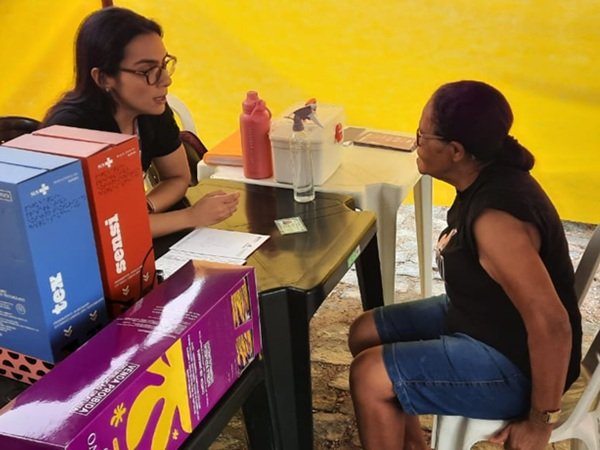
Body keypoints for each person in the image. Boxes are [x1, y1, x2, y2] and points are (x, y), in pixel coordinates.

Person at [348, 80, 582, 450]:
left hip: (517, 367)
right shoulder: (485, 177)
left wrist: (540, 422)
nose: (416, 143)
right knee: (364, 331)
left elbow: (553, 323)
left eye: (422, 135)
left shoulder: (496, 220)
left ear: (456, 150)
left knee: (369, 375)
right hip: (484, 319)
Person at [42, 7, 239, 238]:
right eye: (147, 71)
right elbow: (95, 233)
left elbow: (178, 177)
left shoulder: (152, 109)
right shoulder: (69, 133)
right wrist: (190, 216)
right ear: (103, 78)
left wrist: (144, 208)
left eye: (164, 65)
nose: (165, 80)